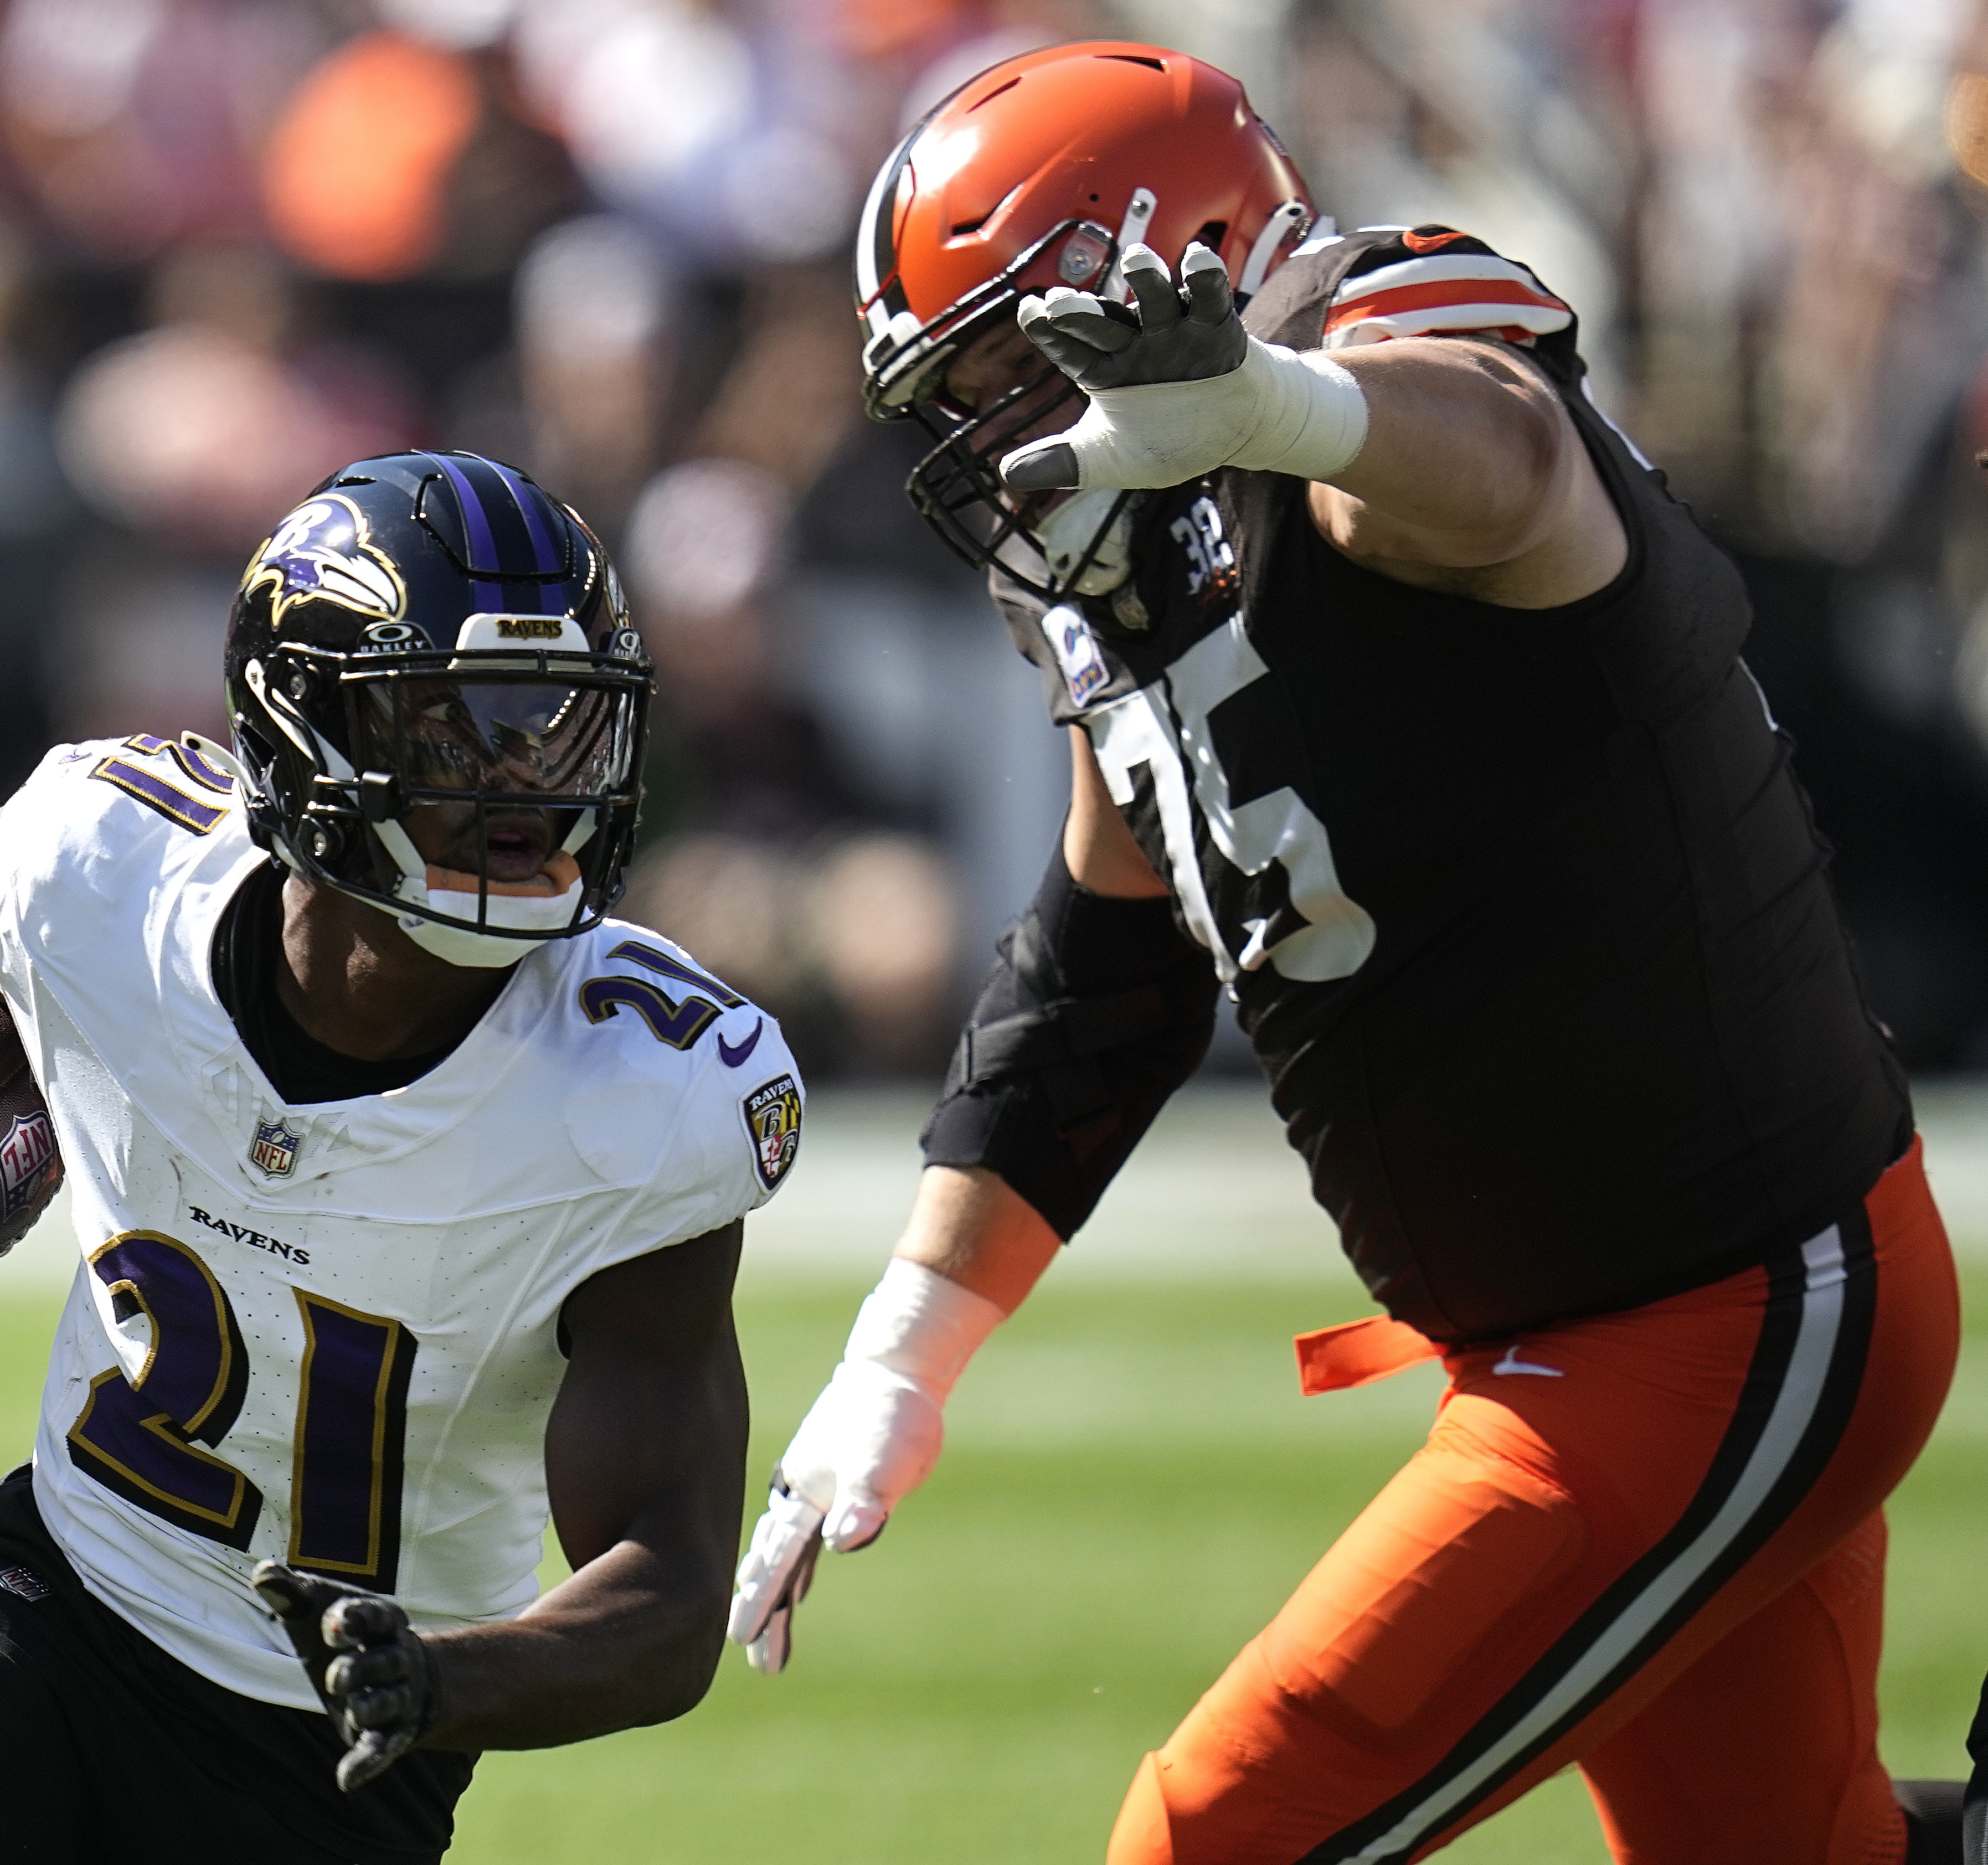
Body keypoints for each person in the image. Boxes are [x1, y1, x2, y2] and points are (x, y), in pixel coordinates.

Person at [728, 40, 1961, 1865]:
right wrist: (903, 1351)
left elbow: (1497, 466)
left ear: (1188, 274)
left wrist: (1265, 402)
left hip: (1724, 1304)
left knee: (1215, 1834)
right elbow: (1109, 958)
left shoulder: (1392, 354)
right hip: (1577, 1313)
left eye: (1005, 366)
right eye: (953, 388)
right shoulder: (1122, 535)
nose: (984, 432)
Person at [0, 450, 802, 1864]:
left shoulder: (639, 1092)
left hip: (325, 1758)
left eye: (564, 732)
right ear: (301, 733)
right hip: (58, 1603)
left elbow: (671, 1592)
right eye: (462, 733)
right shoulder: (106, 869)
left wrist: (448, 1676)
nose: (531, 794)